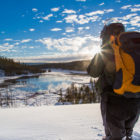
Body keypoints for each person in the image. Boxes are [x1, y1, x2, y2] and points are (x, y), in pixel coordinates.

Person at [87, 23, 140, 140]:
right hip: (135, 99)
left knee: (114, 135)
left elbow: (93, 72)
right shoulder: (135, 49)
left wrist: (100, 51)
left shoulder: (107, 50)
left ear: (107, 34)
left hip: (113, 100)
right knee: (128, 132)